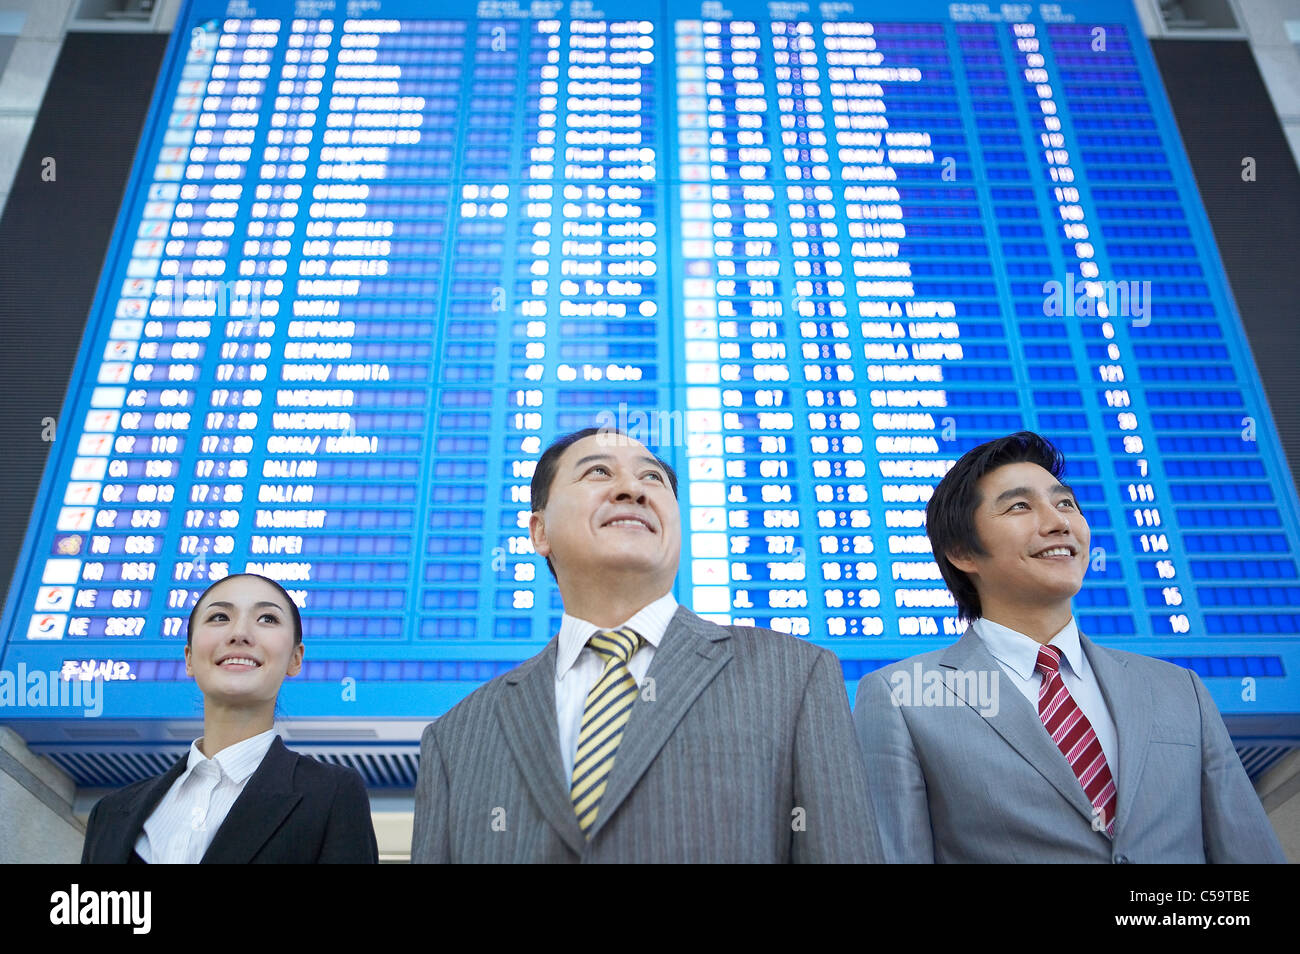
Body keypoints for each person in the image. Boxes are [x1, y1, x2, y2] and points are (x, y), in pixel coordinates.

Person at [413, 426, 880, 862]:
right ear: (539, 532)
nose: (632, 489)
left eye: (652, 477)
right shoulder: (454, 740)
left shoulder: (793, 677)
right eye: (598, 472)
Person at [855, 431, 1286, 862]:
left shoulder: (1179, 690)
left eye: (1066, 504)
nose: (1059, 522)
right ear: (963, 552)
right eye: (1020, 506)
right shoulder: (902, 698)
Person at [81, 573, 378, 863]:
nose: (240, 634)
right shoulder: (110, 813)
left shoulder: (331, 794)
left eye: (267, 619)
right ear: (188, 658)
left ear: (294, 659)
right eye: (220, 617)